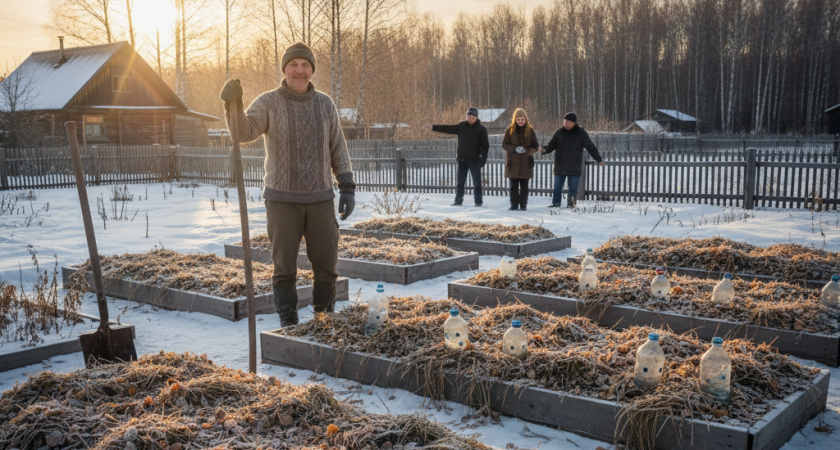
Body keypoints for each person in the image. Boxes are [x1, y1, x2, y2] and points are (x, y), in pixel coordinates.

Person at [219, 42, 354, 327]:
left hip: (320, 200)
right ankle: (289, 324)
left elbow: (337, 147)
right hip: (282, 201)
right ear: (284, 69)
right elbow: (243, 132)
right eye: (294, 65)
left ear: (311, 70)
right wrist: (233, 104)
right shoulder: (268, 101)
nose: (299, 70)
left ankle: (323, 321)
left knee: (327, 267)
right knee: (284, 269)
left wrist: (347, 186)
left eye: (305, 65)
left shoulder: (325, 104)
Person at [424, 108, 489, 206]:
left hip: (474, 160)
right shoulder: (461, 126)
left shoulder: (481, 129)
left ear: (476, 118)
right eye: (469, 117)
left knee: (477, 183)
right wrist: (432, 127)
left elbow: (485, 145)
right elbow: (448, 128)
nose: (471, 119)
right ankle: (458, 201)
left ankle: (478, 202)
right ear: (467, 116)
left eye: (473, 117)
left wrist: (483, 157)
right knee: (460, 183)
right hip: (462, 160)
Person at [540, 112, 605, 208]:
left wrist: (599, 159)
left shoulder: (581, 133)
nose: (566, 124)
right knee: (557, 187)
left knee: (573, 188)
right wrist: (544, 150)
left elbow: (590, 147)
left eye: (568, 122)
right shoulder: (559, 132)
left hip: (574, 165)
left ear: (574, 123)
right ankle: (556, 204)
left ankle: (571, 205)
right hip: (560, 165)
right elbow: (551, 146)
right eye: (565, 122)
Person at [501, 108, 539, 211]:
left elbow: (535, 146)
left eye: (523, 119)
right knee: (513, 186)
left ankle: (523, 205)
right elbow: (504, 144)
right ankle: (513, 205)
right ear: (515, 119)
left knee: (524, 186)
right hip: (512, 163)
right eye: (518, 119)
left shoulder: (530, 131)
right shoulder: (510, 130)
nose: (521, 121)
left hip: (526, 163)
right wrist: (514, 148)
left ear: (526, 119)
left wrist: (526, 151)